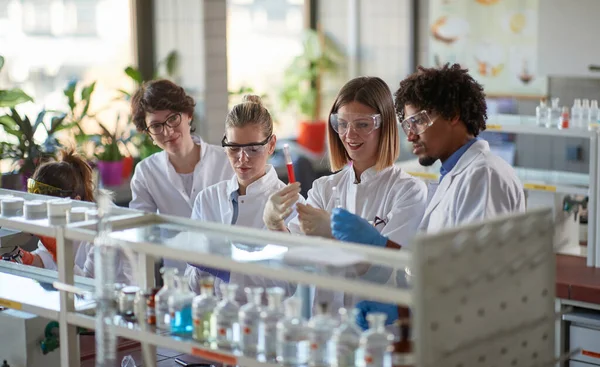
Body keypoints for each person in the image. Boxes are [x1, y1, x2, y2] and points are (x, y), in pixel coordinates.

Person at [353, 63, 526, 329]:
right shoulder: (453, 173)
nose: (410, 135)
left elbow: (476, 276)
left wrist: (405, 307)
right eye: (407, 124)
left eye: (418, 121)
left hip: (476, 337)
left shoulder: (484, 176)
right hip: (447, 329)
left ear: (453, 114)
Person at [263, 76, 428, 312]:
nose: (349, 134)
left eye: (362, 124)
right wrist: (275, 223)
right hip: (325, 321)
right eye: (342, 123)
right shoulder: (322, 188)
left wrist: (333, 231)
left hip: (377, 324)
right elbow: (296, 261)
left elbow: (383, 272)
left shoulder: (409, 191)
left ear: (385, 126)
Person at [187, 94, 299, 302]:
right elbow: (192, 285)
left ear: (271, 145)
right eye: (234, 148)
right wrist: (201, 267)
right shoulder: (208, 198)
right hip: (213, 319)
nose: (242, 158)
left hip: (265, 326)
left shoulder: (292, 205)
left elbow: (287, 286)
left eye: (253, 149)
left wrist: (227, 270)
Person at [129, 79, 234, 273]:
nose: (167, 131)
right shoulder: (146, 172)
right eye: (156, 126)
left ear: (188, 115)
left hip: (228, 277)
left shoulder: (227, 161)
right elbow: (140, 232)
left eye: (172, 119)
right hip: (177, 281)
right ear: (148, 133)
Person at [22, 149, 132, 283]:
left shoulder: (103, 227)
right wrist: (27, 258)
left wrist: (60, 256)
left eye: (47, 208)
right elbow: (47, 257)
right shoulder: (63, 215)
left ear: (75, 201)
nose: (44, 215)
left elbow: (88, 286)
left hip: (119, 298)